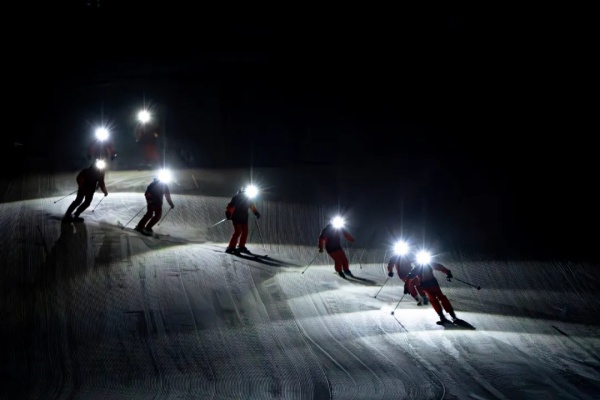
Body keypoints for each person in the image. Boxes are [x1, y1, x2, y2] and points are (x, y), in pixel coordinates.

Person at [225, 187, 261, 254]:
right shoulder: (236, 198)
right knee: (238, 231)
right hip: (236, 217)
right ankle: (231, 247)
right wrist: (228, 213)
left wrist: (256, 213)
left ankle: (241, 246)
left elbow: (252, 207)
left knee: (245, 232)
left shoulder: (248, 199)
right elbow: (231, 206)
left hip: (244, 218)